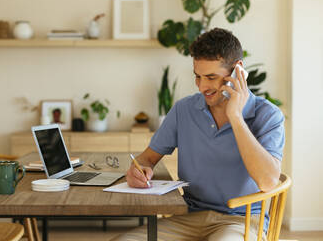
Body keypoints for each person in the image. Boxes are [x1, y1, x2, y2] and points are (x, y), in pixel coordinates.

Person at [114, 28, 285, 241]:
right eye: (198, 77)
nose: (203, 86)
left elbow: (268, 182)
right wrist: (138, 170)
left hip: (241, 220)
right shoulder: (184, 109)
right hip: (189, 215)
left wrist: (236, 117)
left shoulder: (268, 116)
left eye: (211, 77)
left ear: (237, 71)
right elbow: (147, 158)